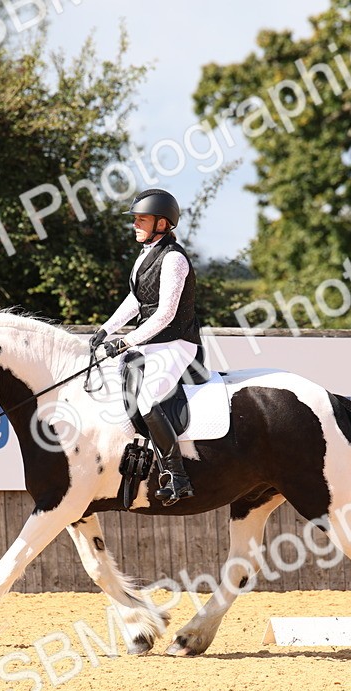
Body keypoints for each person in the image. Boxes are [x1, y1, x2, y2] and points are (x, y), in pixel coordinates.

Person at [91, 188, 201, 505]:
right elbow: (136, 301)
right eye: (135, 219)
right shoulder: (145, 255)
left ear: (163, 224)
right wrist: (106, 328)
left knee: (148, 400)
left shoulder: (174, 260)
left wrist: (125, 340)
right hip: (152, 342)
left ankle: (178, 476)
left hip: (176, 343)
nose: (135, 225)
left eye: (142, 219)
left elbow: (166, 313)